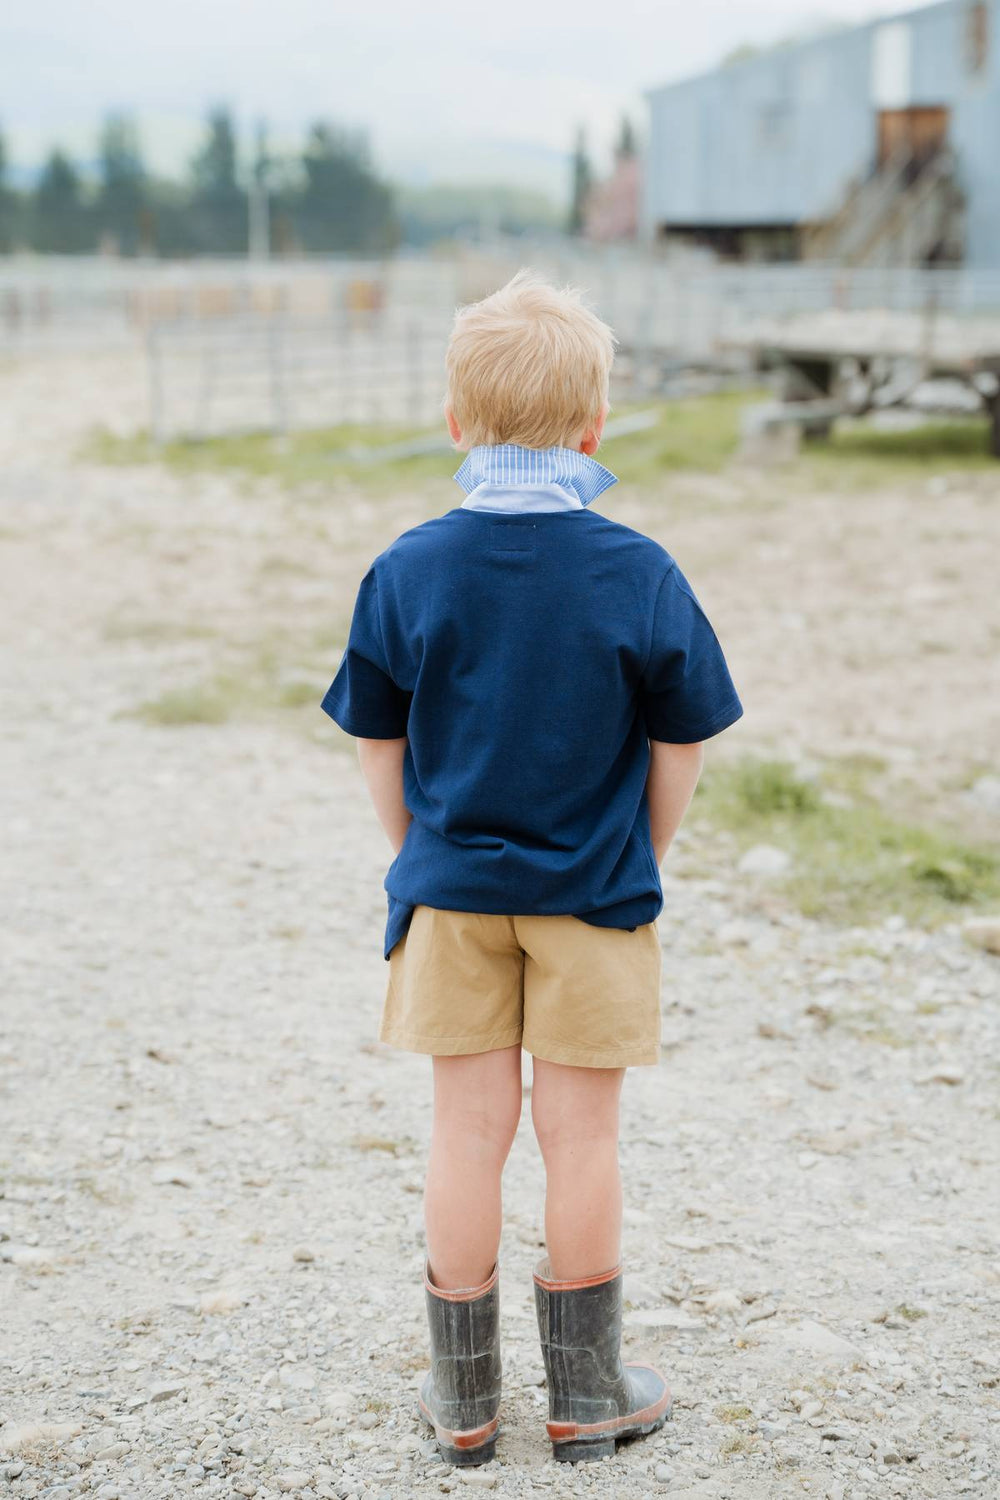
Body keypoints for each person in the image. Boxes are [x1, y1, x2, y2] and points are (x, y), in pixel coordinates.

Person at [321, 270, 743, 1467]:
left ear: (456, 423)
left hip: (451, 895)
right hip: (594, 901)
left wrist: (419, 855)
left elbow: (376, 731)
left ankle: (461, 1406)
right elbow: (684, 733)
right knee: (583, 1140)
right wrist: (639, 853)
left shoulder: (409, 567)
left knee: (465, 1131)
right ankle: (587, 1392)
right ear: (594, 426)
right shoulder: (637, 571)